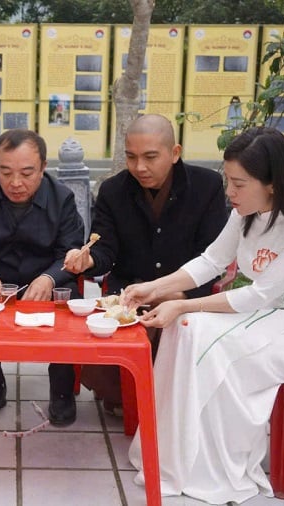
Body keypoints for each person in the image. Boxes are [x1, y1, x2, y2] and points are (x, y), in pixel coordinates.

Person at [122, 127, 284, 503]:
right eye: (227, 181)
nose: (229, 193)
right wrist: (155, 287)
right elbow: (212, 260)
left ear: (273, 184)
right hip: (261, 320)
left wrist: (182, 302)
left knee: (212, 346)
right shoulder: (248, 213)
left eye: (238, 184)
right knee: (186, 329)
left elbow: (258, 294)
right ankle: (177, 455)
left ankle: (219, 467)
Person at [62, 113, 227, 415]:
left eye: (151, 157)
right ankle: (127, 394)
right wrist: (87, 261)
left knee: (183, 327)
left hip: (187, 290)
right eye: (131, 157)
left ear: (174, 153)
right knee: (120, 323)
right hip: (129, 292)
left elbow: (213, 256)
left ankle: (169, 399)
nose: (140, 167)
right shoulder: (113, 190)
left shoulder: (207, 187)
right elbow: (105, 252)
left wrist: (181, 296)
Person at [0, 129, 85, 426]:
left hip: (47, 281)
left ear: (43, 167)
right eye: (6, 172)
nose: (15, 183)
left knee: (71, 307)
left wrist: (50, 278)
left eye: (27, 173)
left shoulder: (62, 197)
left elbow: (71, 251)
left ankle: (62, 390)